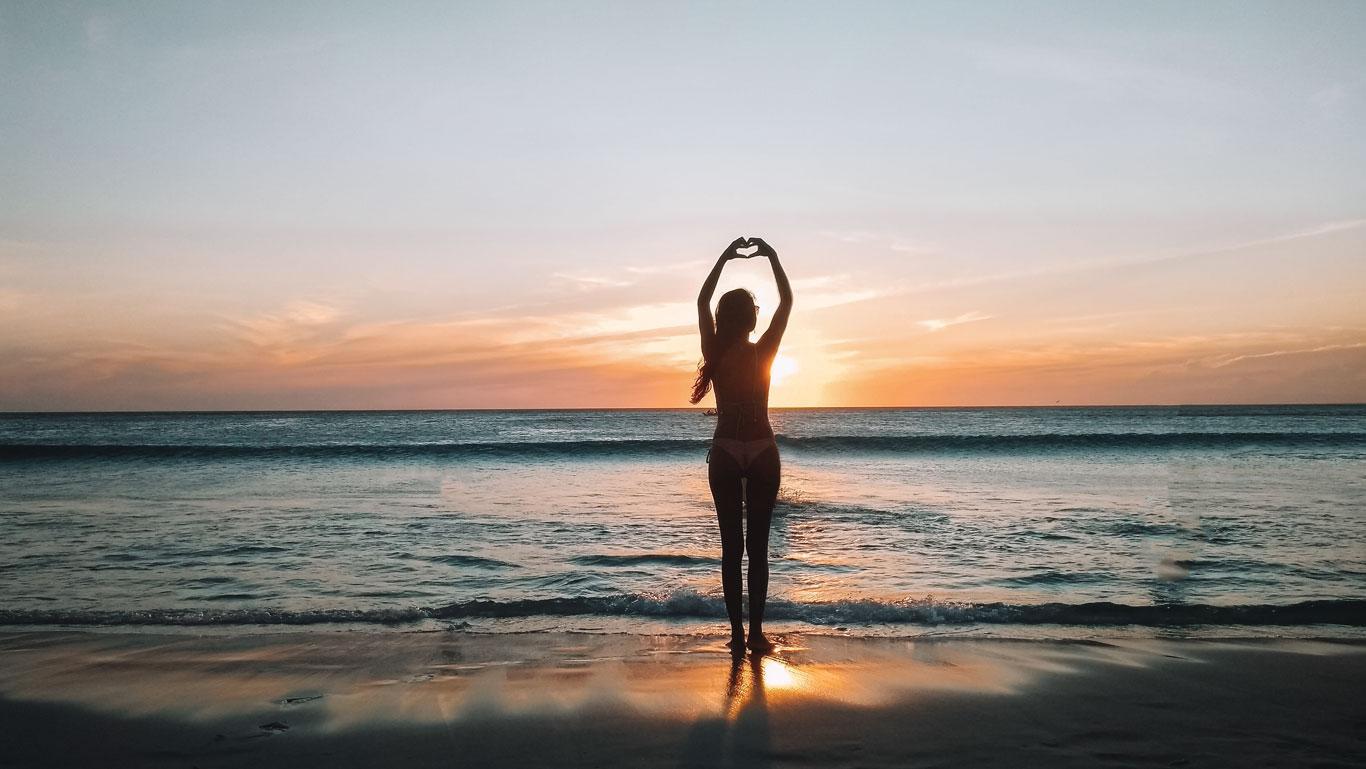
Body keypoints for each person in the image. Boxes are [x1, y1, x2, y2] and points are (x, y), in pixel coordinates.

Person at [692, 236, 793, 653]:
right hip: (762, 446)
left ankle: (737, 638)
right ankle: (755, 636)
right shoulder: (765, 350)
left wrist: (725, 257)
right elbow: (787, 303)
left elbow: (702, 301)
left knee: (731, 550)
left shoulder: (714, 350)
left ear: (723, 318)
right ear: (751, 319)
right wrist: (771, 256)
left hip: (727, 449)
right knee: (759, 550)